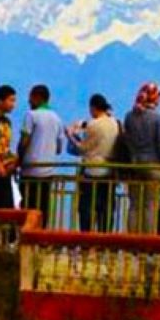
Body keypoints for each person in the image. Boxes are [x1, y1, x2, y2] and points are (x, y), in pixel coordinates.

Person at [66, 93, 120, 232]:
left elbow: (82, 148)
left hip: (92, 172)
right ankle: (105, 238)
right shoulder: (114, 122)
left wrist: (70, 135)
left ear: (93, 107)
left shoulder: (93, 125)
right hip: (109, 172)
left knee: (87, 209)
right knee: (106, 209)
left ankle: (87, 240)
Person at [122, 82, 160, 233]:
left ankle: (132, 240)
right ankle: (148, 241)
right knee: (150, 205)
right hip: (153, 166)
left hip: (134, 165)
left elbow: (127, 140)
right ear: (153, 97)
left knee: (134, 205)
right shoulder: (158, 118)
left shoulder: (129, 116)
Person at [17, 84, 66, 227]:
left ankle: (26, 235)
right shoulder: (57, 118)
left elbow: (24, 141)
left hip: (30, 171)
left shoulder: (31, 115)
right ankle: (41, 236)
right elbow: (59, 148)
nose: (29, 101)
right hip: (48, 172)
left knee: (27, 208)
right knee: (43, 208)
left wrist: (19, 158)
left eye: (30, 98)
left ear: (37, 97)